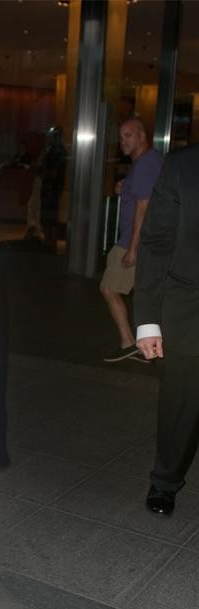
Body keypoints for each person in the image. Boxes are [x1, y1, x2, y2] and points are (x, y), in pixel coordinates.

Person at [135, 143, 199, 517]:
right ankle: (165, 481)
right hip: (188, 311)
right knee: (181, 406)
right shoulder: (182, 166)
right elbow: (156, 243)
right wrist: (148, 320)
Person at [101, 117, 162, 363]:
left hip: (132, 240)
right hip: (144, 240)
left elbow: (143, 209)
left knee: (108, 287)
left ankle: (129, 342)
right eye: (121, 136)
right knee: (145, 293)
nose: (123, 141)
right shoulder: (149, 161)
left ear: (142, 136)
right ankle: (151, 344)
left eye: (128, 135)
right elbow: (145, 191)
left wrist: (132, 248)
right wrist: (125, 186)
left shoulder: (145, 164)